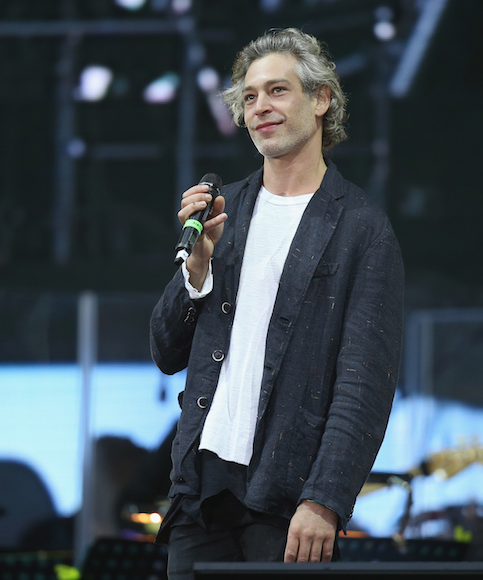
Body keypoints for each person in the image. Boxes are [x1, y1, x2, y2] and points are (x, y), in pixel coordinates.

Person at [149, 28, 404, 578]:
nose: (260, 106)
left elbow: (364, 385)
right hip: (200, 487)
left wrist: (326, 500)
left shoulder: (361, 228)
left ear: (321, 99)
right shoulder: (226, 210)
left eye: (278, 91)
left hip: (289, 498)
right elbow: (166, 350)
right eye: (249, 96)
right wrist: (196, 271)